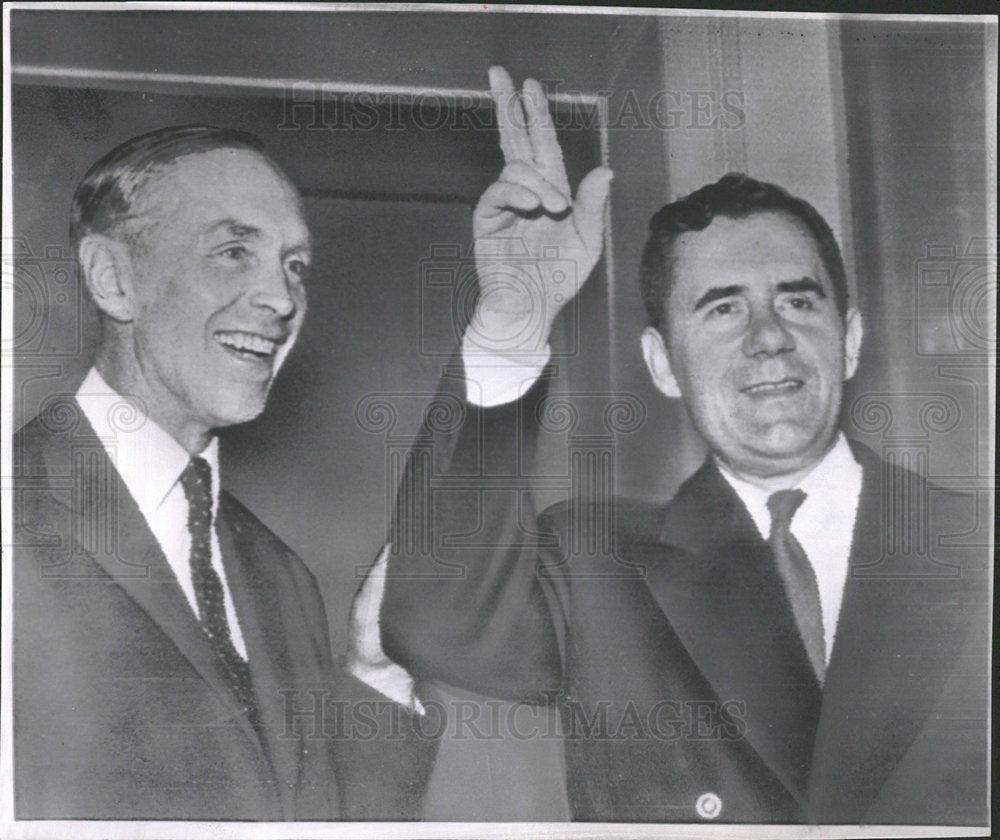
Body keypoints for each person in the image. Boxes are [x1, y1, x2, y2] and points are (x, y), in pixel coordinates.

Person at [373, 68, 989, 824]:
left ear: (852, 339)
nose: (770, 339)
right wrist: (513, 318)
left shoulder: (978, 545)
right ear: (663, 364)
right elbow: (437, 623)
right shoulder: (596, 564)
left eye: (798, 301)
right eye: (722, 310)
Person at [12, 125, 436, 820]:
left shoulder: (279, 574)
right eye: (234, 251)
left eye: (295, 265)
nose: (282, 299)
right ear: (113, 279)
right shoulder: (14, 520)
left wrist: (374, 681)